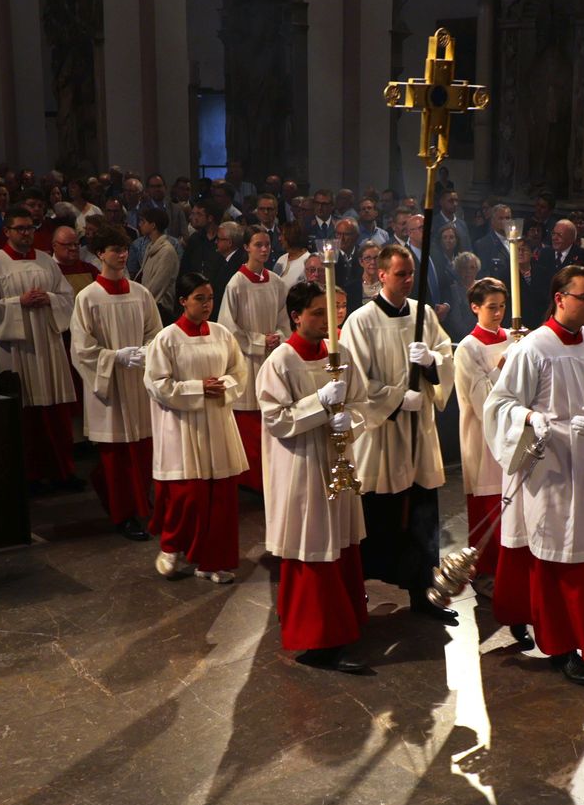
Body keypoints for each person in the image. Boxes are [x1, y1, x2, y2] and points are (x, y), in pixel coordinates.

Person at [485, 264, 584, 687]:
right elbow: (500, 403)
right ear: (560, 298)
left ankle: (578, 638)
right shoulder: (534, 348)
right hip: (550, 465)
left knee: (583, 552)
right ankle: (561, 646)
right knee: (554, 554)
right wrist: (531, 416)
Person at [258, 279, 370, 673]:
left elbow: (358, 403)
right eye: (317, 313)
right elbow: (275, 418)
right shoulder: (281, 361)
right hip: (302, 465)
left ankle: (346, 623)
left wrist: (347, 421)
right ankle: (318, 640)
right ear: (295, 316)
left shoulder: (339, 354)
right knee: (313, 545)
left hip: (336, 460)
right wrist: (317, 406)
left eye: (330, 312)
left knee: (339, 541)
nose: (327, 320)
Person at [343, 243, 457, 623]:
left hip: (418, 431)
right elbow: (355, 380)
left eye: (411, 274)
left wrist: (431, 363)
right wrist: (394, 398)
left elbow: (444, 354)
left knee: (422, 513)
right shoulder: (360, 321)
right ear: (381, 275)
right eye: (400, 274)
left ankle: (423, 593)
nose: (408, 281)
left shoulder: (423, 313)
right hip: (383, 436)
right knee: (379, 515)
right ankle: (361, 591)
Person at [144, 273, 249, 583]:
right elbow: (157, 384)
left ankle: (211, 562)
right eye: (199, 298)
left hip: (217, 422)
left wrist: (224, 385)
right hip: (183, 426)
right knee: (188, 495)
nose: (206, 305)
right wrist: (197, 389)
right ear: (182, 301)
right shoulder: (167, 338)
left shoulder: (221, 333)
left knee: (220, 499)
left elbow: (238, 372)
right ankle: (172, 544)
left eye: (210, 298)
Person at [69, 226, 160, 540]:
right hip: (109, 386)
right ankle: (123, 515)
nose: (121, 255)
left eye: (124, 249)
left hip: (137, 382)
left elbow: (155, 333)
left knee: (143, 449)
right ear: (99, 254)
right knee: (117, 456)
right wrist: (115, 357)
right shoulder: (87, 298)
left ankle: (140, 503)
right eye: (114, 250)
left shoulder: (141, 292)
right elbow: (81, 348)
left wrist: (147, 351)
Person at [0, 205, 79, 490]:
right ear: (7, 231)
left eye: (30, 228)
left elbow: (67, 296)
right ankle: (31, 476)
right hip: (18, 347)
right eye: (20, 228)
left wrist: (49, 297)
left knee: (56, 410)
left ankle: (63, 471)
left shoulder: (47, 261)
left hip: (48, 344)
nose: (26, 233)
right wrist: (18, 302)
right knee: (27, 415)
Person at [452, 279, 512, 584]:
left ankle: (512, 570)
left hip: (513, 434)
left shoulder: (514, 337)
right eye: (492, 307)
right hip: (482, 436)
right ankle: (487, 572)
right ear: (475, 307)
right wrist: (502, 365)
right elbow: (480, 400)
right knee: (487, 508)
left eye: (502, 305)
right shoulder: (468, 348)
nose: (499, 312)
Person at [217, 227, 286, 492]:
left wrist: (278, 337)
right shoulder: (237, 283)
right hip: (248, 359)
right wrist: (259, 341)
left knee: (268, 420)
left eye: (267, 244)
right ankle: (251, 480)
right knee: (249, 424)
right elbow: (228, 327)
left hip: (271, 358)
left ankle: (269, 479)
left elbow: (283, 320)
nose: (264, 249)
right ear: (246, 247)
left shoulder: (276, 282)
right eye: (258, 244)